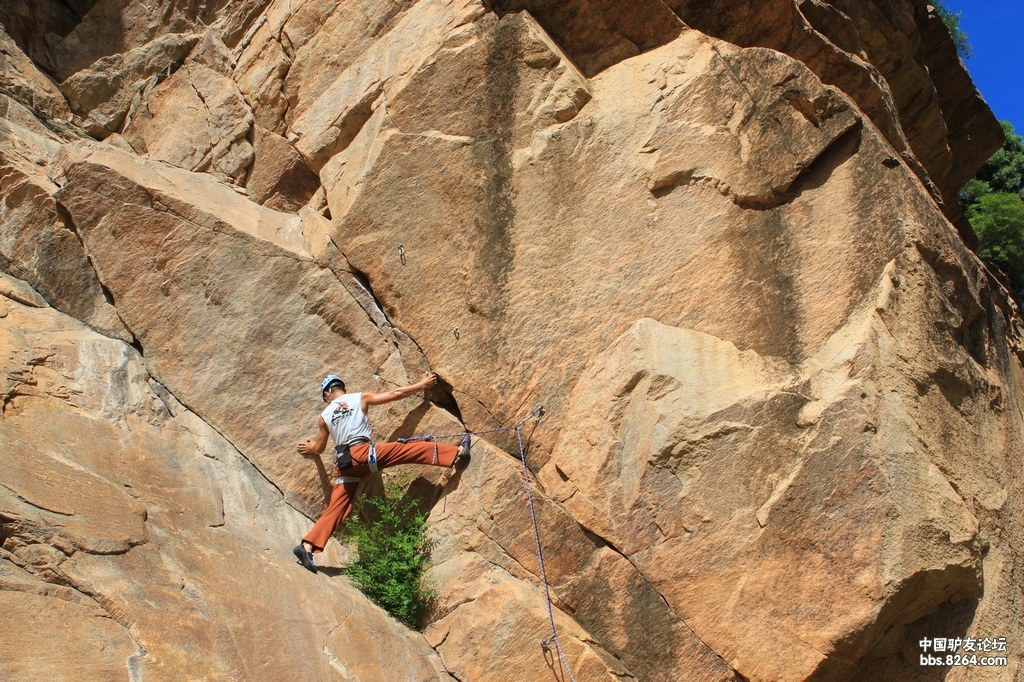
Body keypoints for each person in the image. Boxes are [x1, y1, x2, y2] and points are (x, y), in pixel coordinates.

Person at [292, 372, 470, 573]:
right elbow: (395, 394)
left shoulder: (324, 417)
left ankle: (306, 547)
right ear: (342, 388)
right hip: (363, 455)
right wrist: (421, 385)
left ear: (327, 394)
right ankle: (456, 454)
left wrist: (311, 448)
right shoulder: (359, 397)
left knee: (337, 508)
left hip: (345, 464)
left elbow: (320, 447)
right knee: (406, 450)